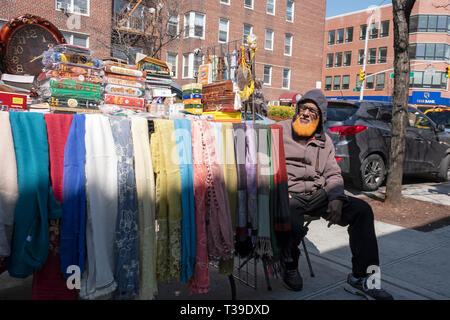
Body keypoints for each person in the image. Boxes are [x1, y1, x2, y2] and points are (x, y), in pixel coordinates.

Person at [278, 89, 393, 300]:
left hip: (317, 194)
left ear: (320, 116)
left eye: (312, 111)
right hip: (288, 194)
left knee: (363, 211)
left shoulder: (325, 140)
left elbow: (332, 173)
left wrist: (337, 198)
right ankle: (289, 265)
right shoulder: (278, 131)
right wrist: (279, 192)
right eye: (302, 107)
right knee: (289, 214)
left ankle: (364, 279)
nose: (304, 113)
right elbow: (263, 166)